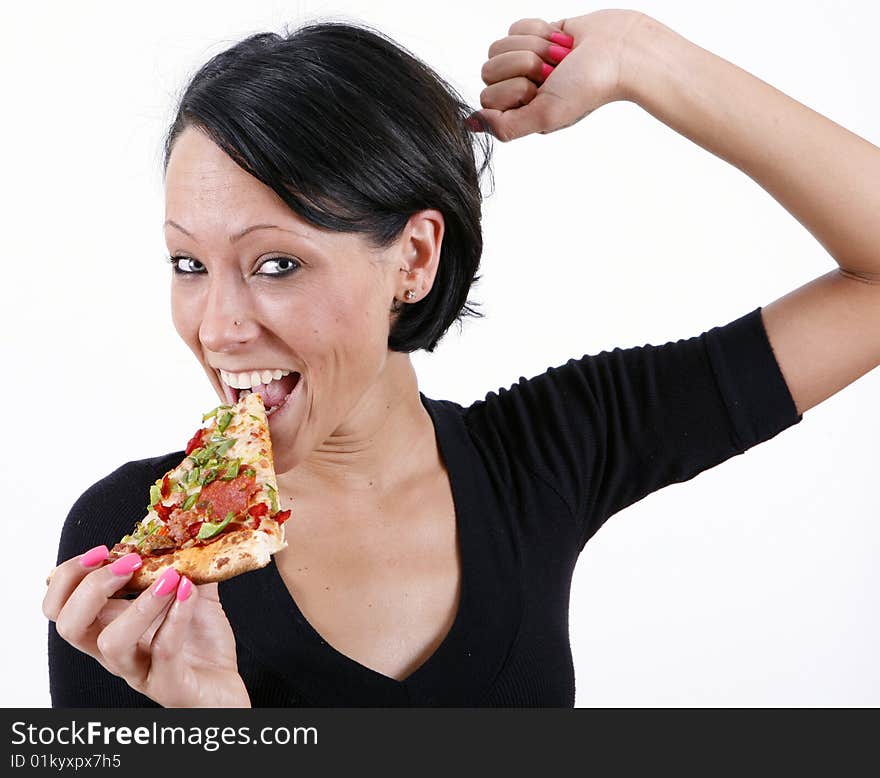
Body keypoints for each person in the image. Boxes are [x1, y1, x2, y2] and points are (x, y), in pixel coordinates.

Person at [43, 11, 880, 708]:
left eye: (276, 264)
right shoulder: (132, 556)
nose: (218, 328)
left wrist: (643, 56)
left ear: (413, 259)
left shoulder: (547, 453)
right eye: (188, 264)